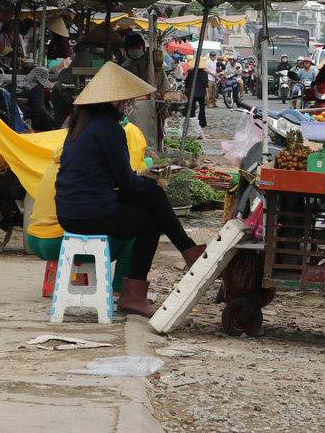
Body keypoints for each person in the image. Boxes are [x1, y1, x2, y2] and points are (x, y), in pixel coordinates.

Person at [54, 62, 206, 317]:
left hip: (71, 208)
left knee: (153, 196)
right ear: (114, 103)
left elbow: (113, 179)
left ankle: (187, 250)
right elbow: (126, 184)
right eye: (126, 102)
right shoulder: (110, 129)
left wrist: (146, 180)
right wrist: (151, 181)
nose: (128, 107)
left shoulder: (81, 125)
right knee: (151, 220)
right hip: (89, 212)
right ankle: (138, 292)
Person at [27, 121, 147, 293]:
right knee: (141, 228)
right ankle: (123, 290)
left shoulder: (67, 155)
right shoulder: (91, 160)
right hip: (57, 241)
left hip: (34, 238)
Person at [19, 66, 55, 131]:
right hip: (30, 119)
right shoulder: (36, 89)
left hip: (21, 116)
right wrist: (50, 117)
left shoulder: (20, 85)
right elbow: (40, 110)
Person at [184, 59, 209, 129]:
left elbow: (187, 82)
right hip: (201, 93)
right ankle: (202, 122)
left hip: (192, 92)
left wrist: (186, 90)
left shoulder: (191, 72)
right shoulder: (204, 73)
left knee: (191, 108)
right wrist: (207, 94)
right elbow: (205, 84)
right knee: (202, 108)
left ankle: (191, 121)